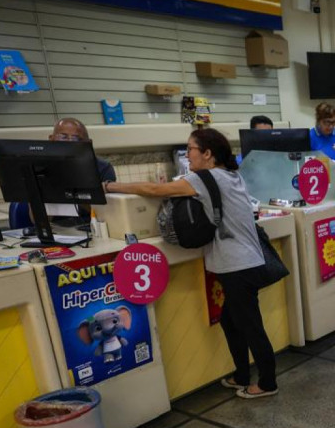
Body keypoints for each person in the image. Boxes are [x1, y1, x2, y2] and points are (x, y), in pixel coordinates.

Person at [106, 128, 278, 399]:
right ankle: (242, 374)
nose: (188, 155)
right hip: (246, 260)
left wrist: (109, 186)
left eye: (191, 149)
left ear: (207, 154)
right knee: (231, 322)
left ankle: (268, 383)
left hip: (237, 266)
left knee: (250, 326)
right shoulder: (233, 176)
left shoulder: (204, 178)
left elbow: (153, 189)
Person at [50, 117, 116, 182]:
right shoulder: (42, 166)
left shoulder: (102, 168)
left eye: (76, 138)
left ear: (89, 143)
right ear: (51, 139)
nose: (69, 142)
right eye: (63, 137)